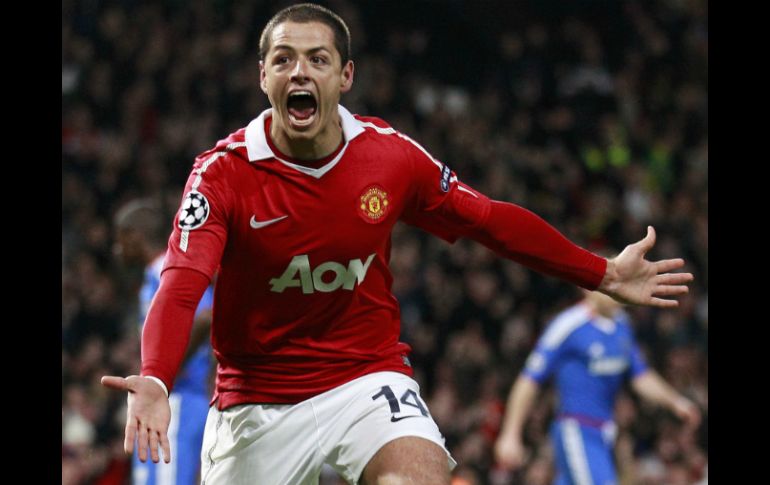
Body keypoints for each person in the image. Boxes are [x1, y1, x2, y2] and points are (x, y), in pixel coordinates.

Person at [101, 4, 693, 484]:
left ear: (345, 76)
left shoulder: (389, 157)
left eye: (317, 59)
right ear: (264, 77)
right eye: (283, 59)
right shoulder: (222, 174)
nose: (300, 72)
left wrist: (600, 273)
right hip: (257, 400)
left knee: (417, 475)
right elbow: (182, 283)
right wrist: (156, 377)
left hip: (365, 377)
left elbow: (489, 221)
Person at [493, 289, 701, 485]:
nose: (616, 289)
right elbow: (529, 379)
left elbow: (641, 376)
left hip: (605, 432)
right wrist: (510, 433)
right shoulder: (567, 325)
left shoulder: (622, 324)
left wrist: (675, 402)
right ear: (588, 287)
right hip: (576, 430)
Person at [114, 199, 215, 485]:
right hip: (171, 400)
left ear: (135, 235)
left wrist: (163, 376)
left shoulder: (169, 272)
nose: (116, 248)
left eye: (120, 238)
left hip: (179, 399)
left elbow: (205, 318)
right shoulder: (155, 275)